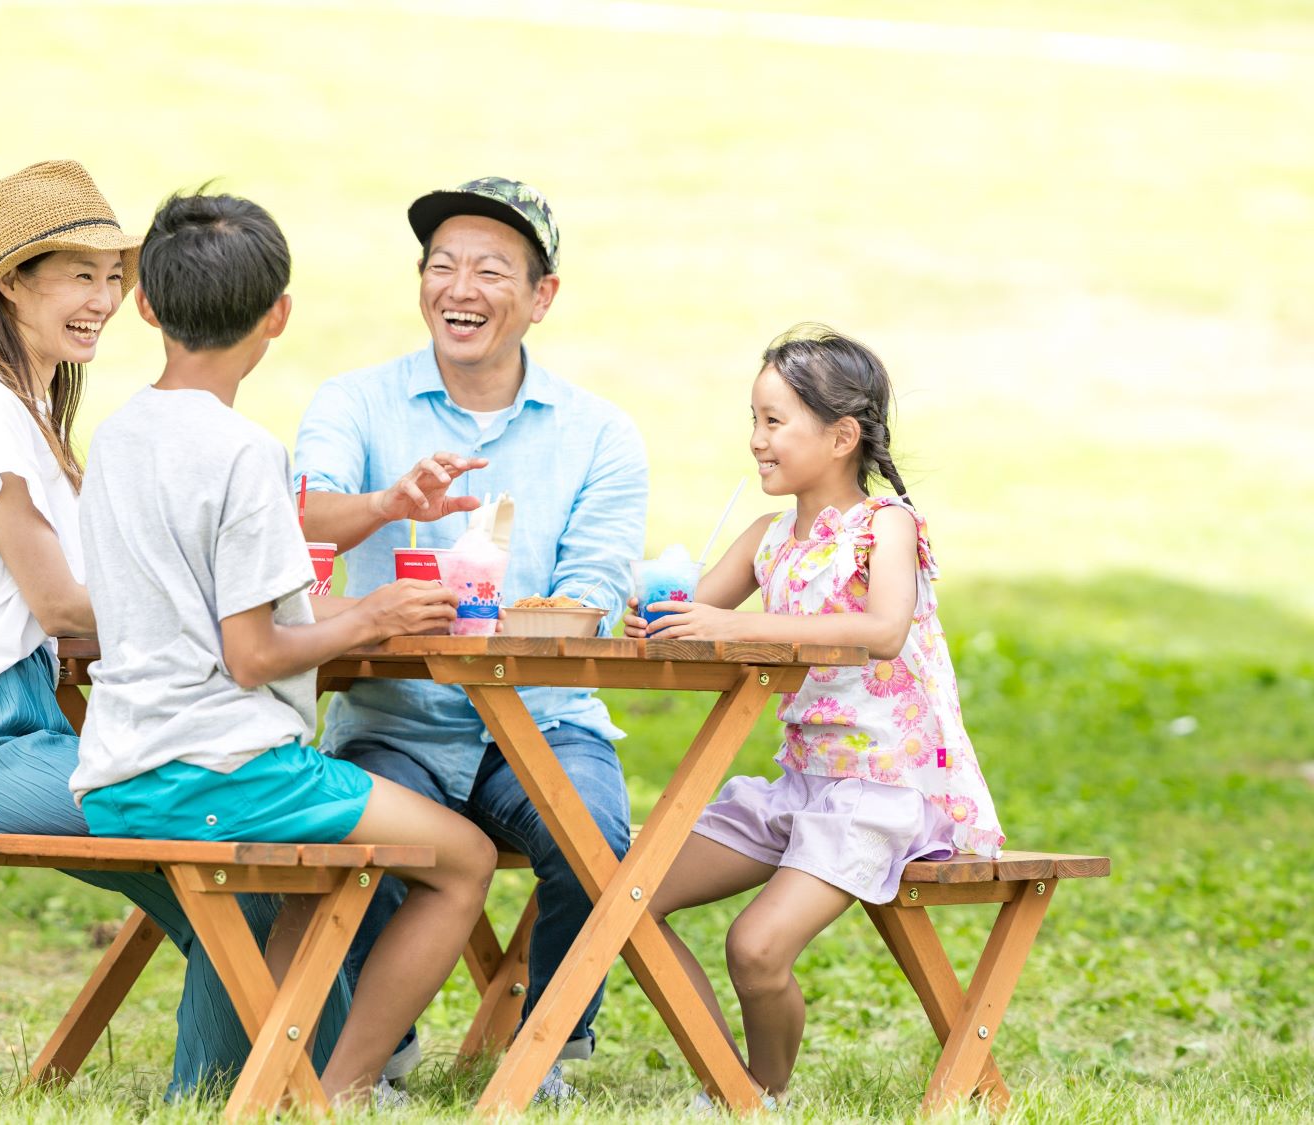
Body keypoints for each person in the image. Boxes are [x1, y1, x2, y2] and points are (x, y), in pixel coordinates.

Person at [0, 160, 347, 1096]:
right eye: (78, 274)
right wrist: (226, 617)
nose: (102, 297)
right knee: (223, 857)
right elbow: (59, 604)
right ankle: (226, 1097)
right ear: (11, 283)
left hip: (32, 726)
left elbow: (105, 606)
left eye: (113, 276)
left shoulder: (39, 409)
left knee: (238, 860)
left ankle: (284, 1081)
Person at [71, 189, 497, 1107]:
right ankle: (335, 1089)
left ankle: (277, 1079)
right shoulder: (244, 452)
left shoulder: (114, 438)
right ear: (279, 315)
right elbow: (255, 656)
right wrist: (377, 613)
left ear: (145, 305)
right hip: (221, 771)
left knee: (321, 881)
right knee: (461, 859)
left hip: (117, 764)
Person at [293, 177, 648, 1095]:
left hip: (545, 712)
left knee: (595, 838)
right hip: (395, 719)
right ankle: (384, 1045)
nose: (462, 287)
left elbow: (596, 587)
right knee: (354, 837)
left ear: (542, 296)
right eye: (442, 265)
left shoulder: (600, 432)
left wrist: (519, 619)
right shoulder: (356, 403)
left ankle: (547, 1052)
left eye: (492, 269)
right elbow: (300, 521)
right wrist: (386, 505)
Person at [625, 323, 1004, 1102]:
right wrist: (657, 616)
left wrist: (735, 625)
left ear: (840, 436)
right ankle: (728, 1086)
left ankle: (761, 1092)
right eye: (754, 420)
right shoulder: (768, 537)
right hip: (799, 785)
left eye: (774, 421)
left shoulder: (884, 526)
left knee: (756, 947)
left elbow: (880, 631)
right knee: (625, 897)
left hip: (884, 791)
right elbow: (699, 615)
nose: (757, 441)